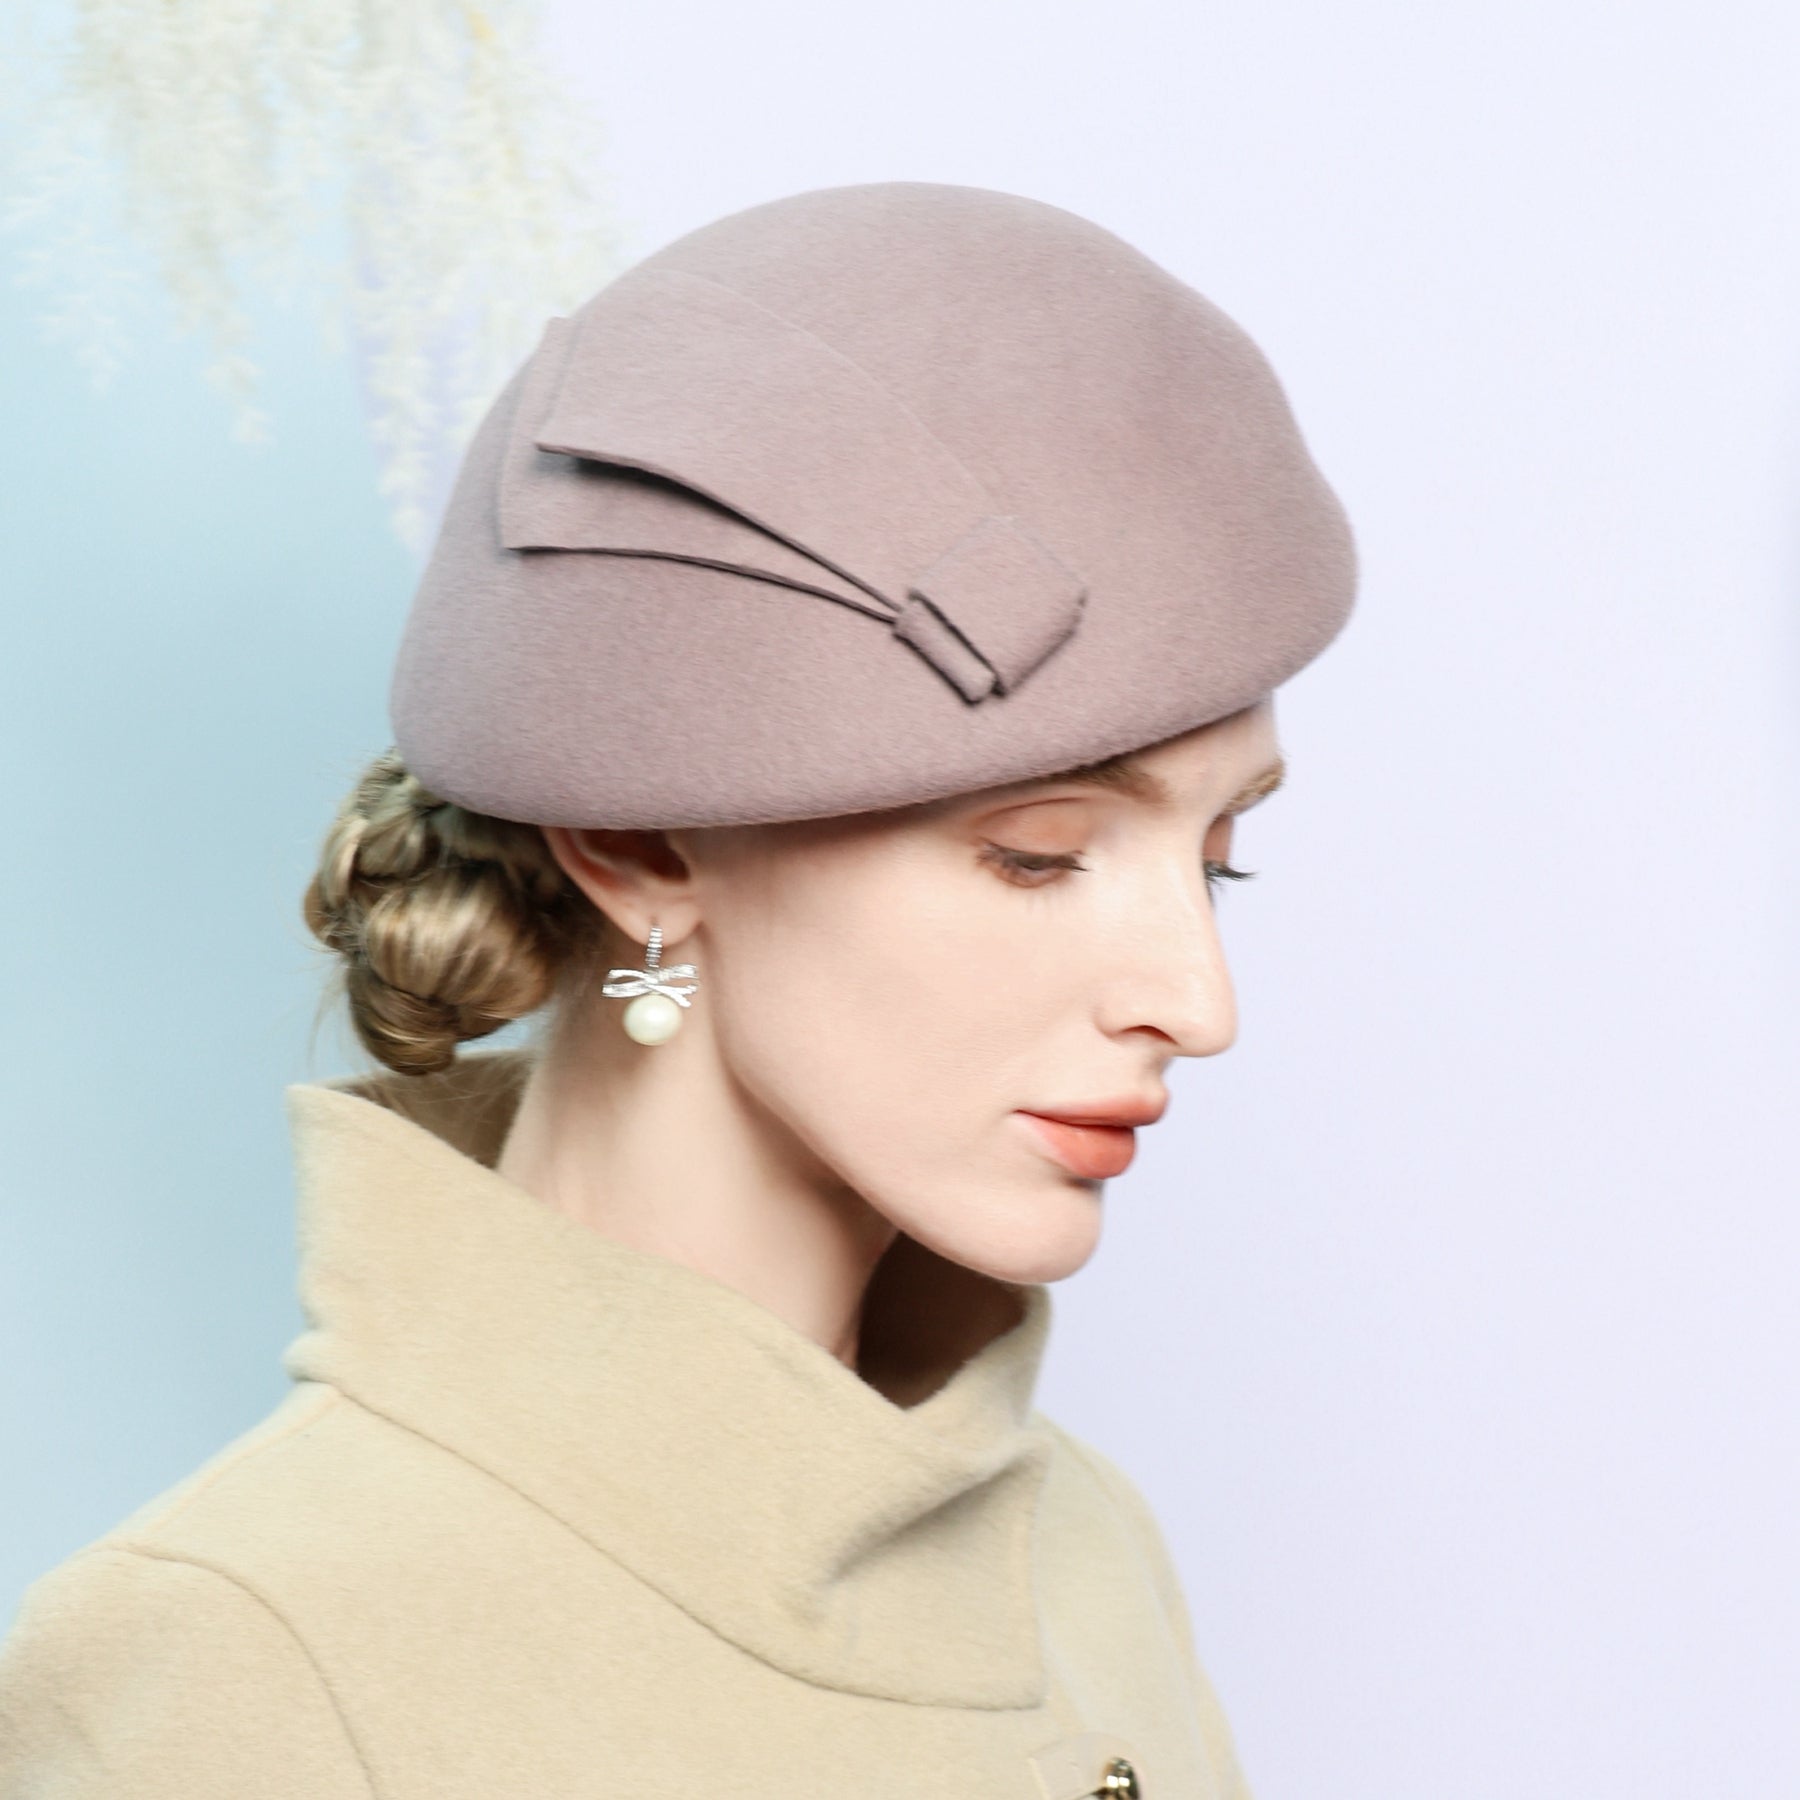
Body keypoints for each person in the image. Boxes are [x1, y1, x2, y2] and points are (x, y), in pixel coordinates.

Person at [0, 180, 1356, 1798]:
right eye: (1036, 856)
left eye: (1220, 858)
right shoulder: (244, 1657)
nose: (1198, 1005)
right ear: (638, 844)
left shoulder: (1084, 1548)